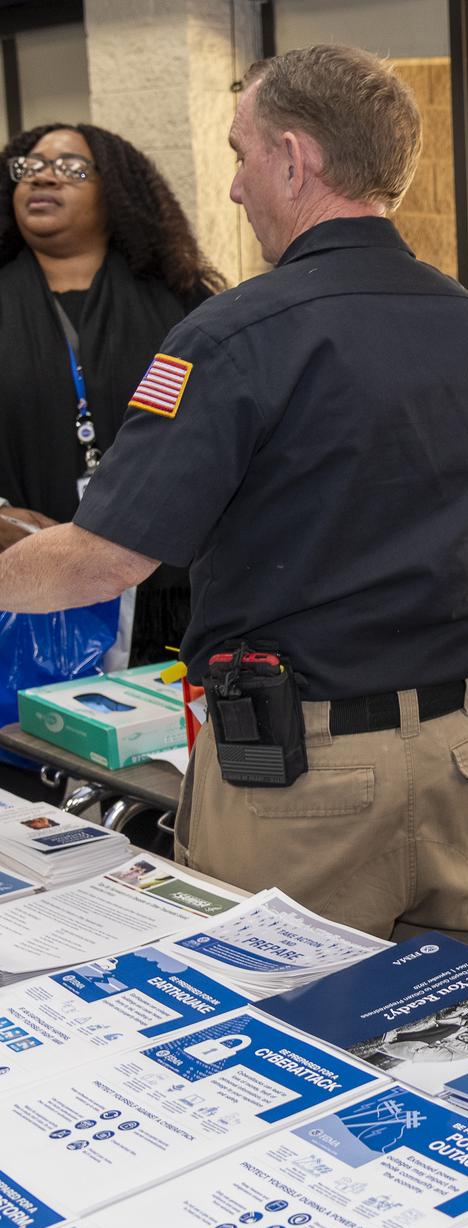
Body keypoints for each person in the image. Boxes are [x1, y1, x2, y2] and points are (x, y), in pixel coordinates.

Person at [0, 45, 468, 954]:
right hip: (459, 760)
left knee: (274, 1042)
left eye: (241, 155)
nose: (235, 188)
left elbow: (107, 556)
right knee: (460, 1034)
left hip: (301, 783)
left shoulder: (236, 335)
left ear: (293, 157)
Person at [0, 123, 222, 801]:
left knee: (160, 791)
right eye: (28, 165)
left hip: (163, 599)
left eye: (70, 165)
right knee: (31, 792)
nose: (42, 176)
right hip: (22, 597)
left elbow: (228, 437)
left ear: (119, 193)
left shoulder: (185, 305)